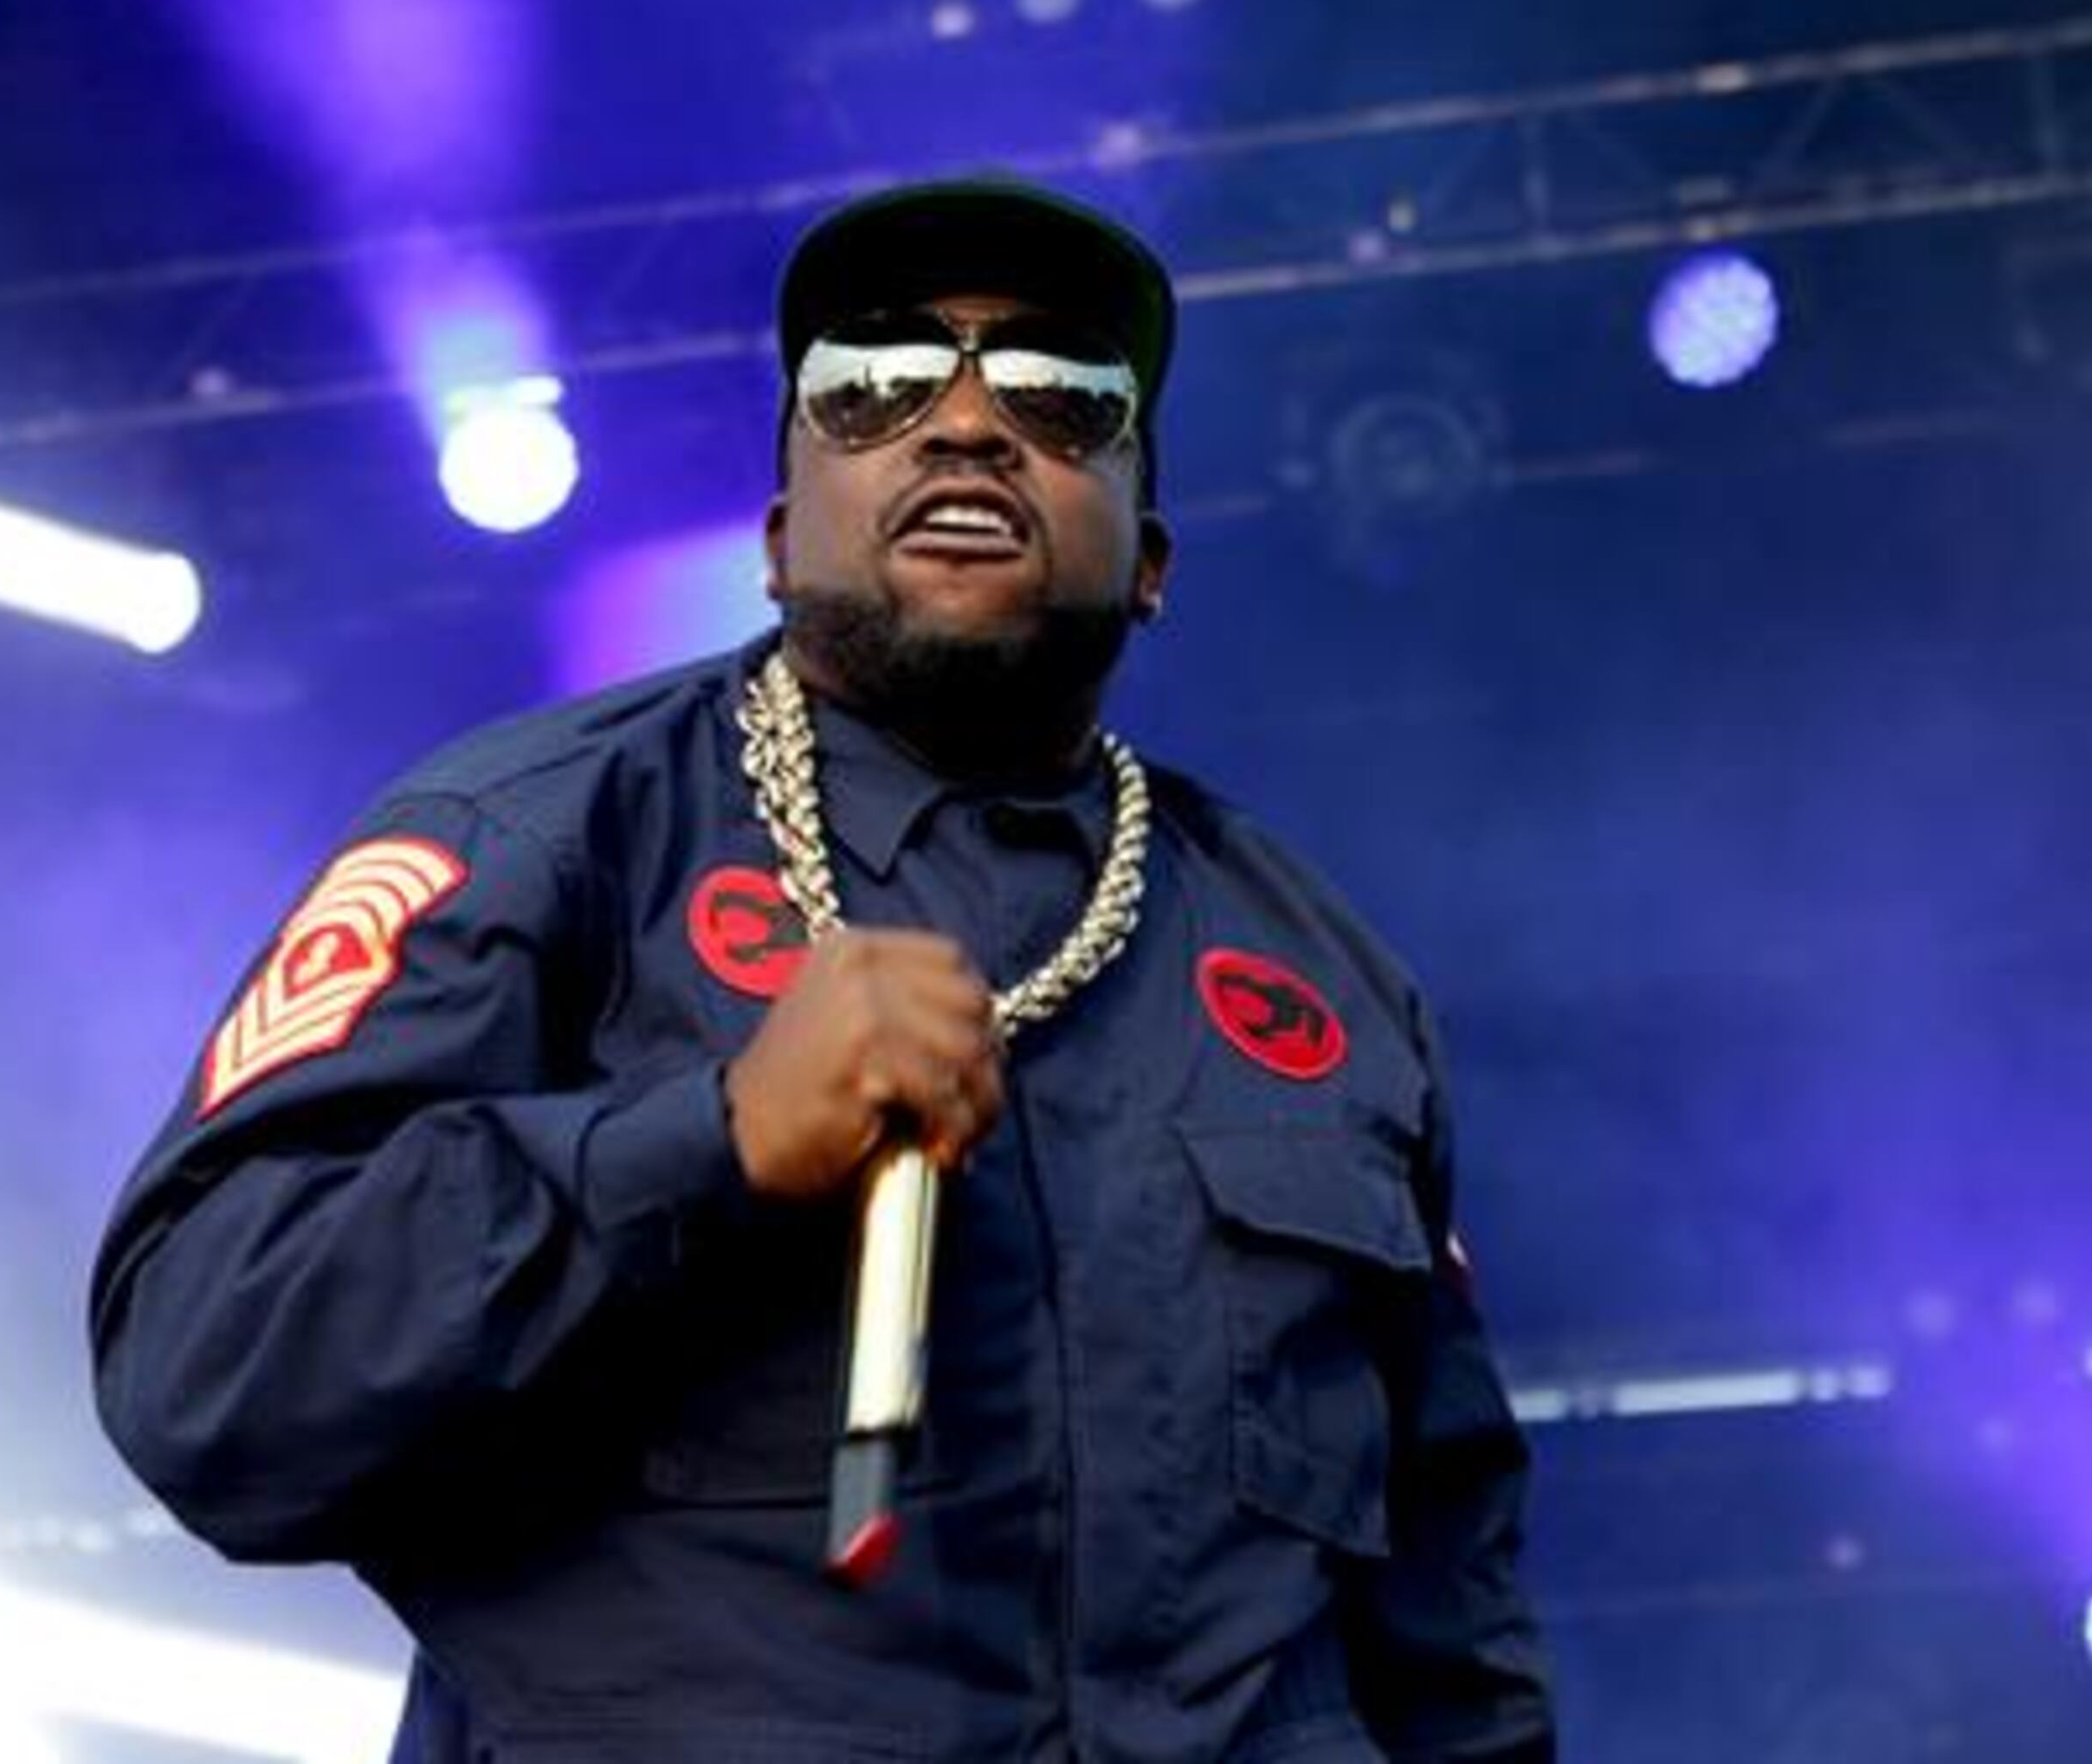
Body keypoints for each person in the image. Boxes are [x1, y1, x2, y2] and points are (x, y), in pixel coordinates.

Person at [88, 176, 1554, 1762]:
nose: (972, 426)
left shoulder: (1318, 970)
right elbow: (205, 1365)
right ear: (785, 537)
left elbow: (1449, 1606)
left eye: (1065, 398)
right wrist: (700, 1143)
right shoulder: (540, 833)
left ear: (1150, 560)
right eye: (874, 388)